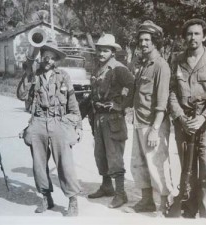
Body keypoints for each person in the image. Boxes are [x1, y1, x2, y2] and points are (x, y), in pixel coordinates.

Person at [17, 40, 82, 216]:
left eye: (52, 58)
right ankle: (46, 197)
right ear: (41, 56)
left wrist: (78, 126)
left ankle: (73, 200)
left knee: (65, 164)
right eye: (46, 56)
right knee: (39, 164)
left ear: (56, 60)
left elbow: (72, 103)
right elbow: (21, 95)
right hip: (38, 121)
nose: (48, 61)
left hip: (58, 121)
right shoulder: (34, 74)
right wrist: (27, 74)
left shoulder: (63, 76)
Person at [169, 18, 206, 218]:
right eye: (189, 34)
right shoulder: (177, 60)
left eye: (197, 34)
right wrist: (180, 117)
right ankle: (189, 209)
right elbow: (171, 92)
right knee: (186, 168)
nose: (193, 38)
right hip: (184, 122)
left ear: (205, 36)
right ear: (184, 38)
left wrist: (204, 118)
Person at [128, 20, 172, 216]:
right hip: (139, 121)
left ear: (155, 42)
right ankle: (147, 201)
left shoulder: (161, 66)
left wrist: (155, 129)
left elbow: (162, 102)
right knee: (138, 163)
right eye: (141, 40)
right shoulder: (144, 65)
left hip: (153, 124)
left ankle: (164, 205)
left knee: (157, 165)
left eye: (147, 40)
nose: (143, 43)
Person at [87, 34, 135, 209]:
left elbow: (132, 87)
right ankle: (107, 186)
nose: (101, 52)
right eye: (99, 49)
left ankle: (121, 193)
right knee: (100, 155)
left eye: (105, 50)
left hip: (113, 119)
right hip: (98, 118)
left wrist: (119, 105)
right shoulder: (98, 69)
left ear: (112, 52)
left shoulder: (119, 69)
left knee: (115, 157)